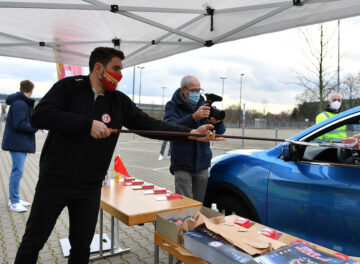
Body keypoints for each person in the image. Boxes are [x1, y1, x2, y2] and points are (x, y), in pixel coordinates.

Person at [14, 47, 217, 264]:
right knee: (33, 242)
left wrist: (190, 133)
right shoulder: (69, 87)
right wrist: (87, 124)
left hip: (90, 186)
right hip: (54, 181)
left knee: (82, 247)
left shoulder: (119, 101)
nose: (120, 75)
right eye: (116, 68)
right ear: (99, 67)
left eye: (121, 69)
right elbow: (40, 116)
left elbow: (150, 125)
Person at [164, 75, 226, 202]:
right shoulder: (172, 105)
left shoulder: (204, 104)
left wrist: (217, 122)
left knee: (198, 203)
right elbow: (170, 127)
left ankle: (196, 222)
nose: (197, 93)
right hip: (182, 163)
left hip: (202, 163)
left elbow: (219, 132)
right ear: (183, 89)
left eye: (199, 90)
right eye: (194, 90)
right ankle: (184, 222)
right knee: (185, 204)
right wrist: (193, 117)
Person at [1, 80, 38, 213]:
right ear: (31, 89)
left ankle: (14, 198)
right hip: (17, 143)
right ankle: (14, 201)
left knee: (17, 171)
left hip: (19, 142)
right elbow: (19, 124)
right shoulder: (19, 103)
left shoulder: (20, 102)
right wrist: (35, 127)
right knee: (18, 171)